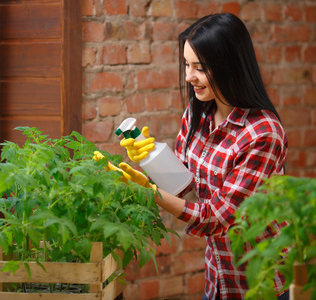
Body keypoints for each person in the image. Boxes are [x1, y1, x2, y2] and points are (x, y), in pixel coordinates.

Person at [118, 13, 289, 300]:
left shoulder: (262, 134)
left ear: (229, 66)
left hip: (265, 285)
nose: (188, 76)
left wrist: (152, 194)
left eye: (200, 67)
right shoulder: (197, 114)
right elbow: (186, 185)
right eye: (186, 64)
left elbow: (218, 219)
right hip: (219, 279)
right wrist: (150, 161)